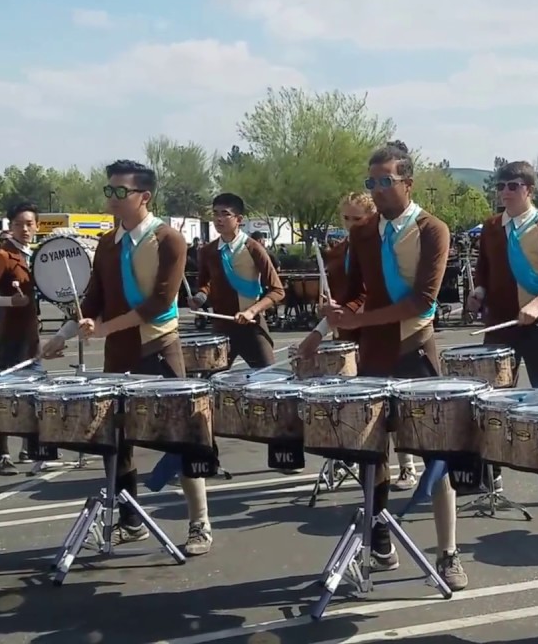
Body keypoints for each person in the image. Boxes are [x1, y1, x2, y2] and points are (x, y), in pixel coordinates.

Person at [41, 160, 211, 556]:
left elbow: (160, 303)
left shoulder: (169, 239)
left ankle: (199, 521)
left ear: (144, 196)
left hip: (159, 346)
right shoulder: (105, 243)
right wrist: (63, 335)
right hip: (119, 352)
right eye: (110, 190)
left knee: (185, 435)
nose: (111, 198)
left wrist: (104, 329)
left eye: (121, 192)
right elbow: (94, 302)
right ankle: (129, 520)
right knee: (115, 440)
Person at [321, 141, 467, 591]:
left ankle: (448, 553)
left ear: (408, 182)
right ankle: (380, 543)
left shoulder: (432, 230)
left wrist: (358, 318)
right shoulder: (364, 233)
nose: (378, 190)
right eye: (372, 182)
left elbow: (422, 300)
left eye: (386, 181)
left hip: (417, 350)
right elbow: (356, 295)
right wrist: (328, 322)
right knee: (372, 457)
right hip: (375, 356)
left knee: (435, 457)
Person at [466, 160, 538, 494]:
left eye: (512, 186)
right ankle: (492, 475)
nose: (505, 192)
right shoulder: (490, 227)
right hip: (500, 325)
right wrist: (478, 292)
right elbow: (484, 270)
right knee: (493, 403)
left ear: (529, 189)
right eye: (500, 186)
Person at [299, 192, 418, 490]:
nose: (352, 225)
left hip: (381, 329)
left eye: (359, 219)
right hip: (350, 333)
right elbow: (344, 296)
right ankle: (359, 462)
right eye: (347, 219)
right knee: (361, 404)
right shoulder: (339, 251)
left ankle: (407, 465)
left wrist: (332, 320)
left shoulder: (381, 248)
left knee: (395, 402)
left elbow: (366, 296)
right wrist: (328, 310)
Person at [0, 202, 42, 474]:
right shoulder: (3, 255)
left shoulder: (33, 256)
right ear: (10, 226)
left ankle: (29, 448)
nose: (25, 229)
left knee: (34, 393)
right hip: (12, 336)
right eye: (19, 224)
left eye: (29, 224)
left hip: (32, 337)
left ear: (37, 226)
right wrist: (8, 302)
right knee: (6, 395)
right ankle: (3, 455)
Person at [189, 193, 286, 368]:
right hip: (221, 328)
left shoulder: (254, 248)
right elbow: (205, 285)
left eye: (225, 214)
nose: (218, 219)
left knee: (268, 380)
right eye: (215, 213)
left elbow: (277, 290)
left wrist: (251, 311)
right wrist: (199, 299)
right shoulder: (207, 251)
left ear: (239, 219)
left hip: (252, 326)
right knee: (213, 383)